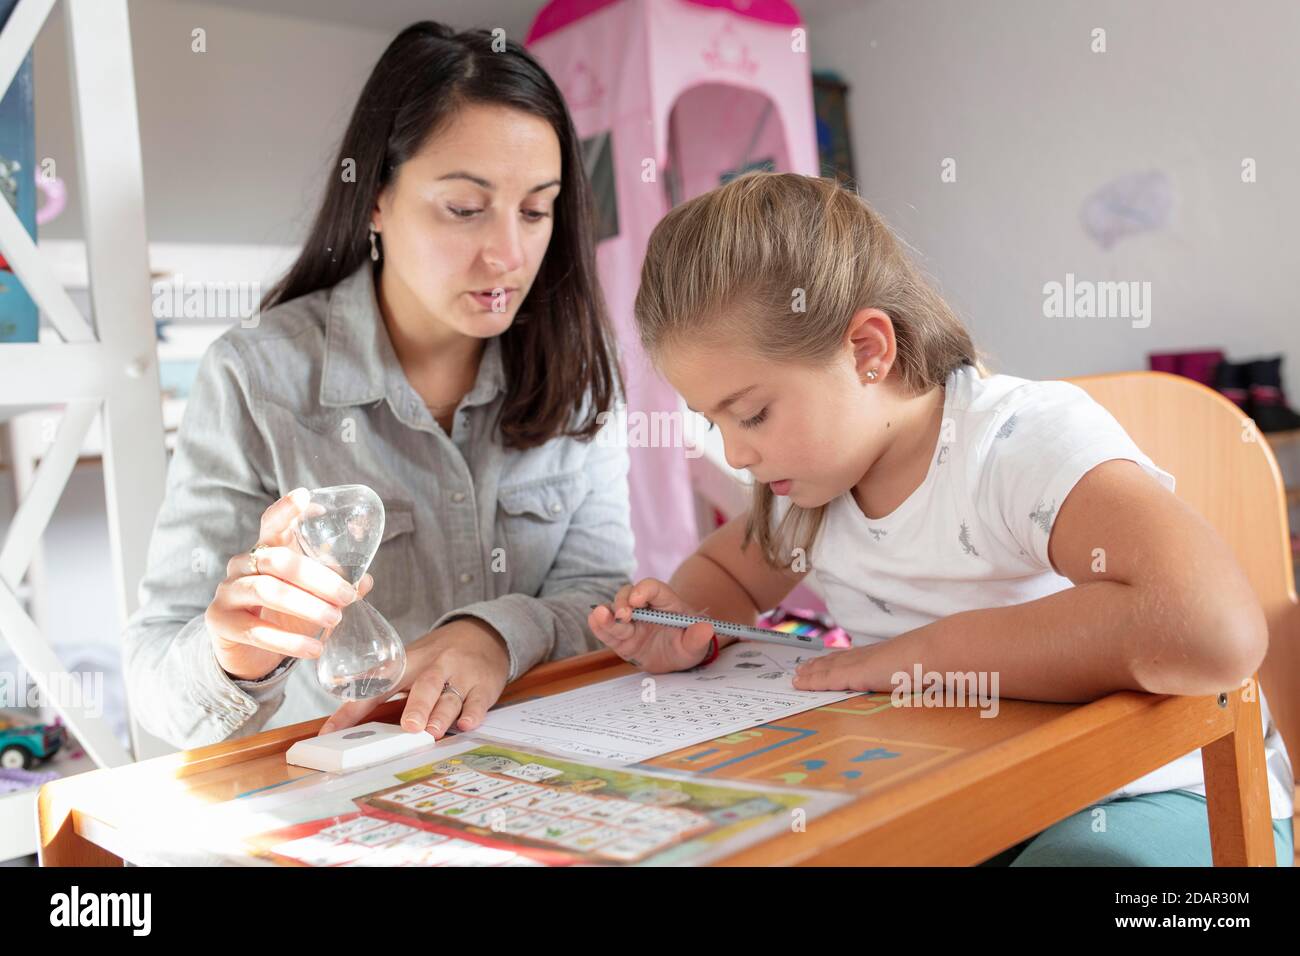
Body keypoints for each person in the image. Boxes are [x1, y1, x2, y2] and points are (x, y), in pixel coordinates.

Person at [588, 171, 1294, 866]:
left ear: (867, 350)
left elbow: (1215, 630)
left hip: (1158, 796)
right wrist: (689, 624)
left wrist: (918, 658)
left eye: (752, 414)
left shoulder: (1015, 444)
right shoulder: (809, 489)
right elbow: (725, 573)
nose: (737, 453)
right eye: (713, 421)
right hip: (964, 793)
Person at [123, 22, 634, 750]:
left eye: (536, 210)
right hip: (341, 798)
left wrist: (493, 637)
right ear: (376, 201)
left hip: (543, 770)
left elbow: (606, 599)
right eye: (465, 208)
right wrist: (236, 656)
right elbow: (154, 684)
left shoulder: (580, 369)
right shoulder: (257, 377)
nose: (509, 255)